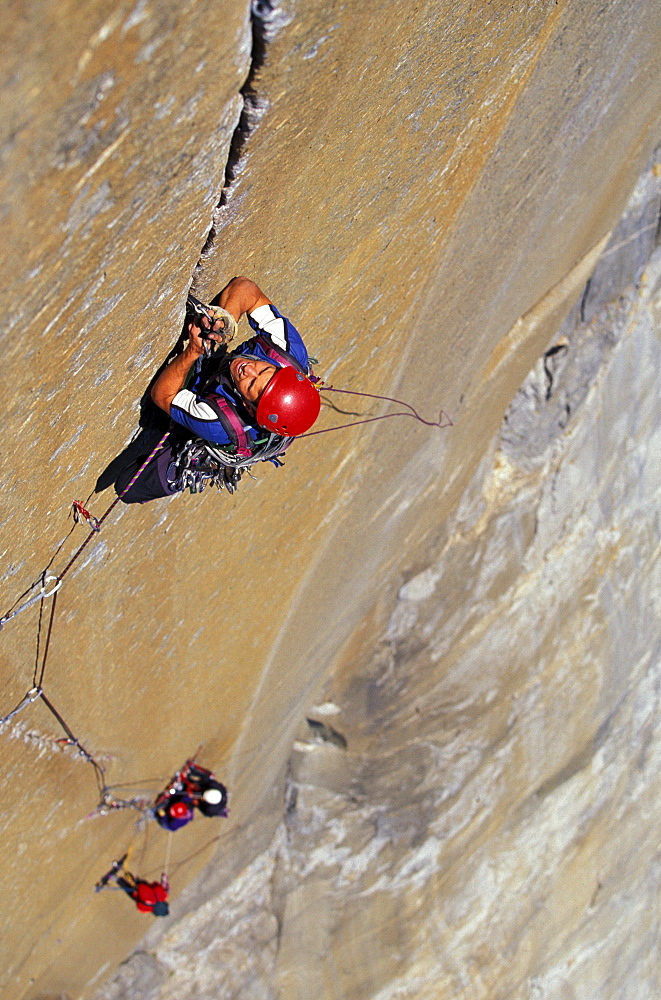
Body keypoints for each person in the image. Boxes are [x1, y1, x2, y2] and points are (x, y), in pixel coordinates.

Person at [112, 277, 321, 504]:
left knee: (128, 487)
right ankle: (200, 392)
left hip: (218, 421)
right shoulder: (287, 351)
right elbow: (246, 289)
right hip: (219, 383)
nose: (249, 369)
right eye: (264, 370)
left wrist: (193, 351)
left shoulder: (221, 424)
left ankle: (187, 438)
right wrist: (225, 319)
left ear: (248, 408)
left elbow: (162, 396)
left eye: (251, 385)